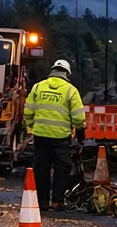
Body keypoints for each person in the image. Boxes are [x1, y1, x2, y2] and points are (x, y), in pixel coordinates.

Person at [24, 58, 86, 210]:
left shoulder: (38, 87)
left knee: (41, 168)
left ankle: (42, 202)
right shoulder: (71, 90)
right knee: (62, 169)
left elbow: (28, 111)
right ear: (67, 73)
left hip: (40, 136)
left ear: (53, 70)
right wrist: (80, 134)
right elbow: (79, 118)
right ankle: (58, 201)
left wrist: (31, 126)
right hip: (61, 137)